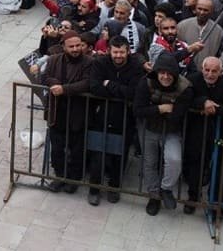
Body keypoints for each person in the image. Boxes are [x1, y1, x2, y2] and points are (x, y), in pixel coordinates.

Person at [88, 35, 145, 206]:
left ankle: (114, 187)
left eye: (122, 52)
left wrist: (109, 85)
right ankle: (94, 189)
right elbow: (95, 87)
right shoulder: (100, 63)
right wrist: (118, 90)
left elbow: (134, 92)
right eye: (115, 52)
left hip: (125, 117)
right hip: (101, 115)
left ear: (128, 51)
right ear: (109, 51)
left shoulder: (136, 66)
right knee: (98, 154)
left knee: (120, 154)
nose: (118, 55)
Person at [135, 53, 194, 215]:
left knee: (174, 159)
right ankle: (154, 196)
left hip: (171, 130)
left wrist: (151, 108)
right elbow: (138, 109)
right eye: (162, 73)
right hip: (148, 128)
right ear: (156, 72)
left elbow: (177, 115)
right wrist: (160, 108)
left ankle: (165, 188)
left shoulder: (185, 87)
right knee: (149, 163)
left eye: (169, 74)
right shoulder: (145, 82)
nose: (166, 77)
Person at [37, 30, 94, 193]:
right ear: (64, 47)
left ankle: (73, 179)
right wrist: (54, 83)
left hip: (78, 112)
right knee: (57, 147)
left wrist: (64, 89)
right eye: (72, 46)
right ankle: (59, 176)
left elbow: (87, 83)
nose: (75, 49)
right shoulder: (54, 60)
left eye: (78, 46)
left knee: (76, 148)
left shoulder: (89, 62)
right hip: (58, 111)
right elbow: (44, 77)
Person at [183, 56, 223, 214]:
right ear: (202, 69)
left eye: (214, 71)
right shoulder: (193, 79)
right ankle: (193, 197)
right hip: (196, 130)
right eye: (207, 70)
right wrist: (203, 102)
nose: (210, 74)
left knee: (218, 166)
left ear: (221, 72)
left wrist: (216, 110)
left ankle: (214, 202)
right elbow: (184, 99)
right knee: (195, 163)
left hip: (219, 131)